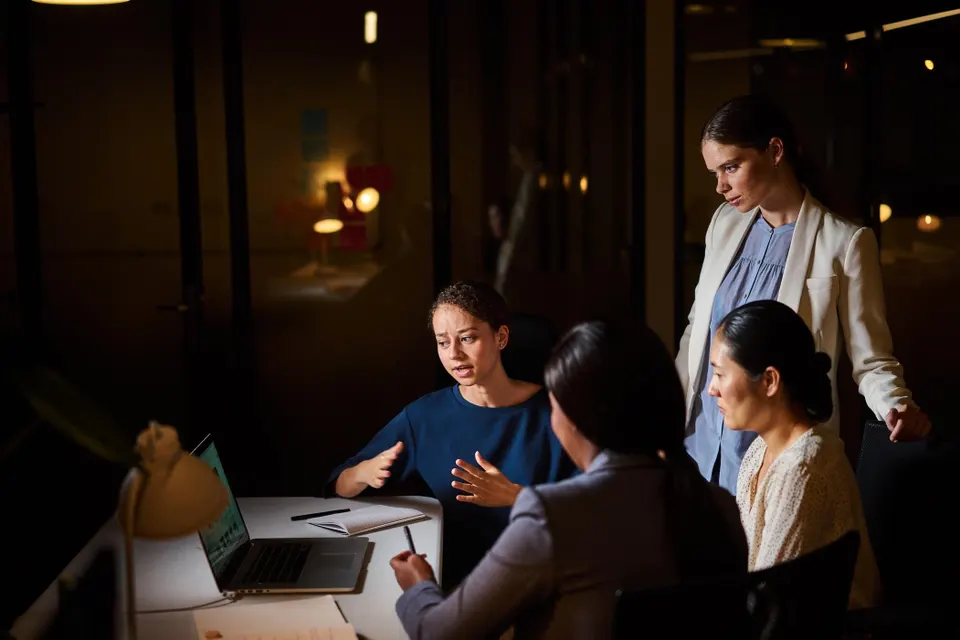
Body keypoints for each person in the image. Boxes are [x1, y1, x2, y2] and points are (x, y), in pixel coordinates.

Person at [389, 320, 747, 640]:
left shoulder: (551, 517)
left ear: (576, 419)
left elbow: (438, 631)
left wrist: (418, 585)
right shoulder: (719, 505)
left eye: (554, 405)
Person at [679, 94, 931, 495]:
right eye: (715, 172)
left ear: (775, 150)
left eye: (731, 167)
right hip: (700, 447)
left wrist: (897, 406)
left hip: (778, 457)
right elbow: (698, 332)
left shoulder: (844, 242)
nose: (720, 186)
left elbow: (872, 359)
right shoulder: (724, 224)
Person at [327, 281, 575, 587]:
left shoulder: (558, 412)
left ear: (501, 337)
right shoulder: (424, 417)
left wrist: (517, 496)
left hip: (544, 577)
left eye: (467, 338)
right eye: (443, 342)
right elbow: (338, 485)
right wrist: (363, 473)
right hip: (457, 584)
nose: (454, 354)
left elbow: (599, 508)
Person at [709, 300, 881, 609]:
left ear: (769, 381)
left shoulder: (806, 465)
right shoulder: (758, 451)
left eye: (720, 374)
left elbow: (767, 599)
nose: (711, 389)